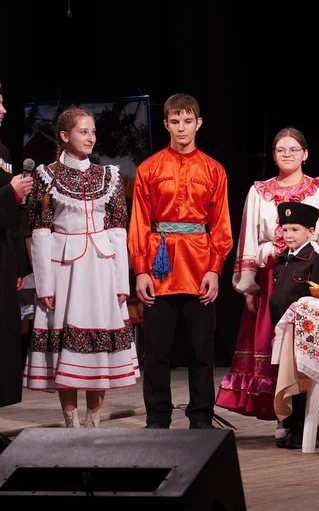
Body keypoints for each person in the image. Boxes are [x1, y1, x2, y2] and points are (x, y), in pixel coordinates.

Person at [216, 127, 319, 442]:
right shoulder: (259, 191)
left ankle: (305, 415)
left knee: (304, 346)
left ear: (305, 154)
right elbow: (249, 239)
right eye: (281, 150)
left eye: (293, 149)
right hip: (270, 280)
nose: (287, 154)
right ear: (274, 155)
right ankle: (282, 415)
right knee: (272, 348)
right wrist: (248, 285)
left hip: (309, 277)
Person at [23, 106, 139, 428]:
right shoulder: (46, 176)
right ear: (65, 135)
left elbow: (117, 230)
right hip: (65, 271)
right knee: (66, 345)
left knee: (99, 343)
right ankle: (71, 423)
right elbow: (40, 231)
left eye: (93, 132)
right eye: (83, 132)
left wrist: (122, 282)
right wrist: (44, 285)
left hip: (101, 268)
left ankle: (94, 422)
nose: (91, 138)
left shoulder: (108, 177)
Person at [128, 93, 233, 429]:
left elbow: (221, 224)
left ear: (198, 123)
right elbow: (139, 222)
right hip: (160, 268)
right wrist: (141, 270)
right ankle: (158, 418)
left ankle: (201, 417)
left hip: (199, 267)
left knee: (202, 350)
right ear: (166, 124)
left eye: (188, 121)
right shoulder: (149, 168)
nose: (182, 127)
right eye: (175, 121)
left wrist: (215, 269)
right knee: (156, 350)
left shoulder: (214, 169)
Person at [269, 201, 319, 448]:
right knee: (289, 379)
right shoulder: (283, 260)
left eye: (295, 230)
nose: (289, 235)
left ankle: (306, 428)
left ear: (310, 231)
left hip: (304, 334)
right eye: (285, 230)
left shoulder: (315, 262)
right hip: (284, 331)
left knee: (303, 381)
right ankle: (291, 425)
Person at [0, 79, 33, 411]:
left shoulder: (3, 152)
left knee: (4, 339)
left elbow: (12, 218)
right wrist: (10, 193)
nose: (4, 109)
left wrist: (20, 265)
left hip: (4, 257)